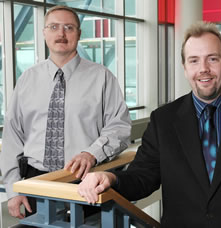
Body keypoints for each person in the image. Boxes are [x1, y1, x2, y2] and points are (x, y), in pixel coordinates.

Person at [78, 21, 221, 227]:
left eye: (213, 59)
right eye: (194, 60)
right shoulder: (163, 120)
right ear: (185, 68)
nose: (204, 68)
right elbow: (142, 176)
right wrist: (110, 177)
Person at [0, 5, 131, 219]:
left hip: (85, 180)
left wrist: (91, 153)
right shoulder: (27, 79)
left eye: (69, 27)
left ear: (79, 34)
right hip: (35, 183)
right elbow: (12, 135)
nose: (61, 34)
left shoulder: (102, 77)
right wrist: (13, 189)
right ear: (44, 33)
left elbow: (120, 128)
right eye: (54, 27)